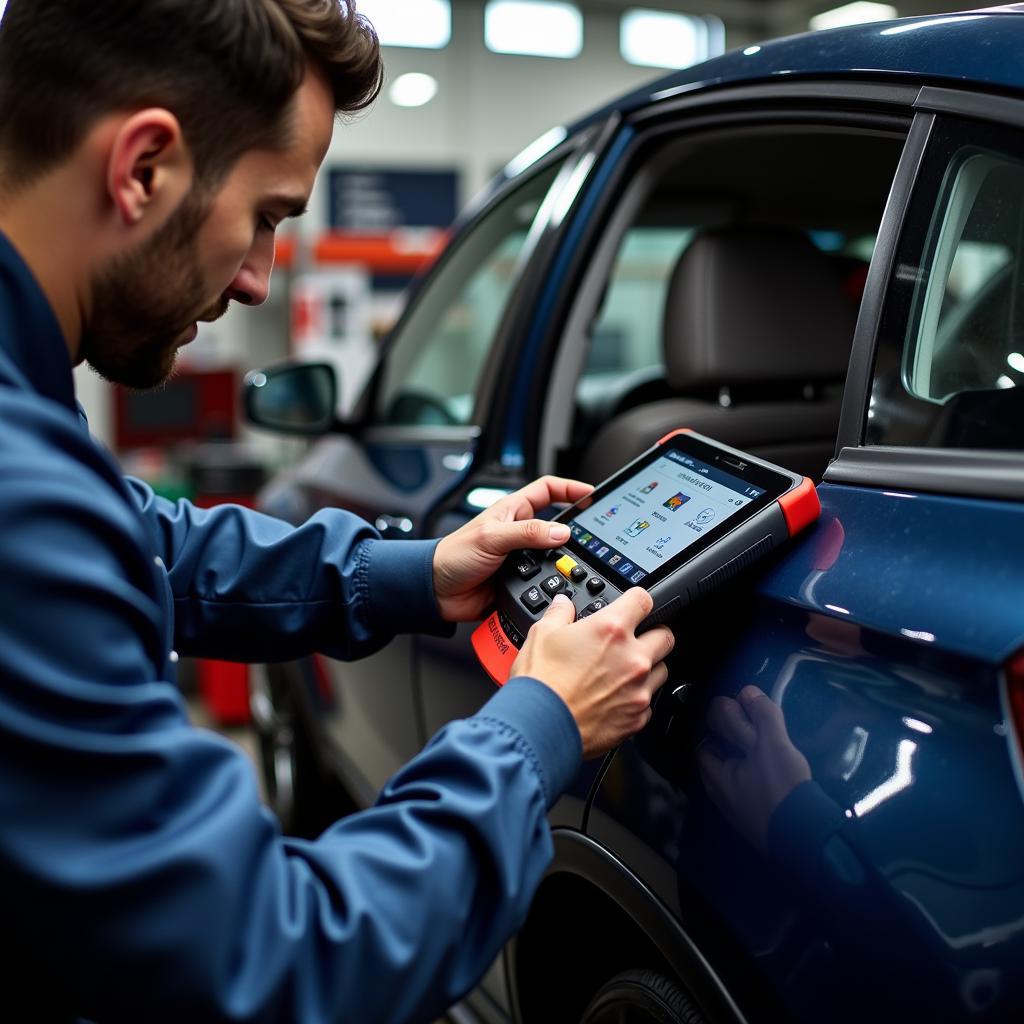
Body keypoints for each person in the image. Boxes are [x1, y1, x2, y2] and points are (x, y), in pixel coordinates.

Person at [0, 2, 675, 1021]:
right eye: (267, 214)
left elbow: (138, 543)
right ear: (143, 168)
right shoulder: (22, 493)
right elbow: (273, 956)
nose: (259, 279)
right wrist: (537, 726)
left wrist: (412, 569)